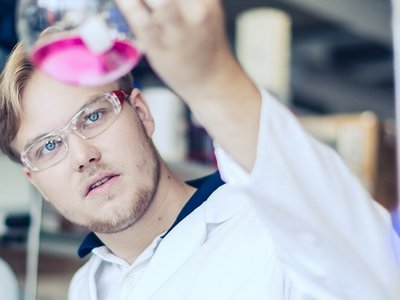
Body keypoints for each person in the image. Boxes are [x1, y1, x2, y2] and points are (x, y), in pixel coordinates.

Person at [0, 0, 399, 299]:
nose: (82, 154)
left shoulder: (266, 228)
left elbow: (375, 275)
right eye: (48, 146)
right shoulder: (86, 286)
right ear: (33, 179)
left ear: (142, 113)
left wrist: (212, 80)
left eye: (92, 117)